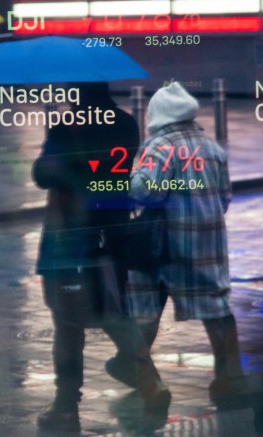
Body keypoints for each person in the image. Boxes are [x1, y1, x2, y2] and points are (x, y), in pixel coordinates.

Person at [32, 82, 169, 432]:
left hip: (71, 240)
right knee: (113, 312)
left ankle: (66, 406)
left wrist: (65, 148)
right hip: (114, 236)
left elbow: (43, 175)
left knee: (68, 324)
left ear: (75, 92)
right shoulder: (125, 124)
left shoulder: (68, 127)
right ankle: (150, 381)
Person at [127, 81, 247, 403]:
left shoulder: (160, 147)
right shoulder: (211, 147)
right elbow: (225, 198)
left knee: (145, 309)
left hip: (165, 245)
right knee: (216, 305)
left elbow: (146, 192)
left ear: (157, 117)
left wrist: (130, 176)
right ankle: (230, 375)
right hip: (208, 245)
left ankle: (150, 383)